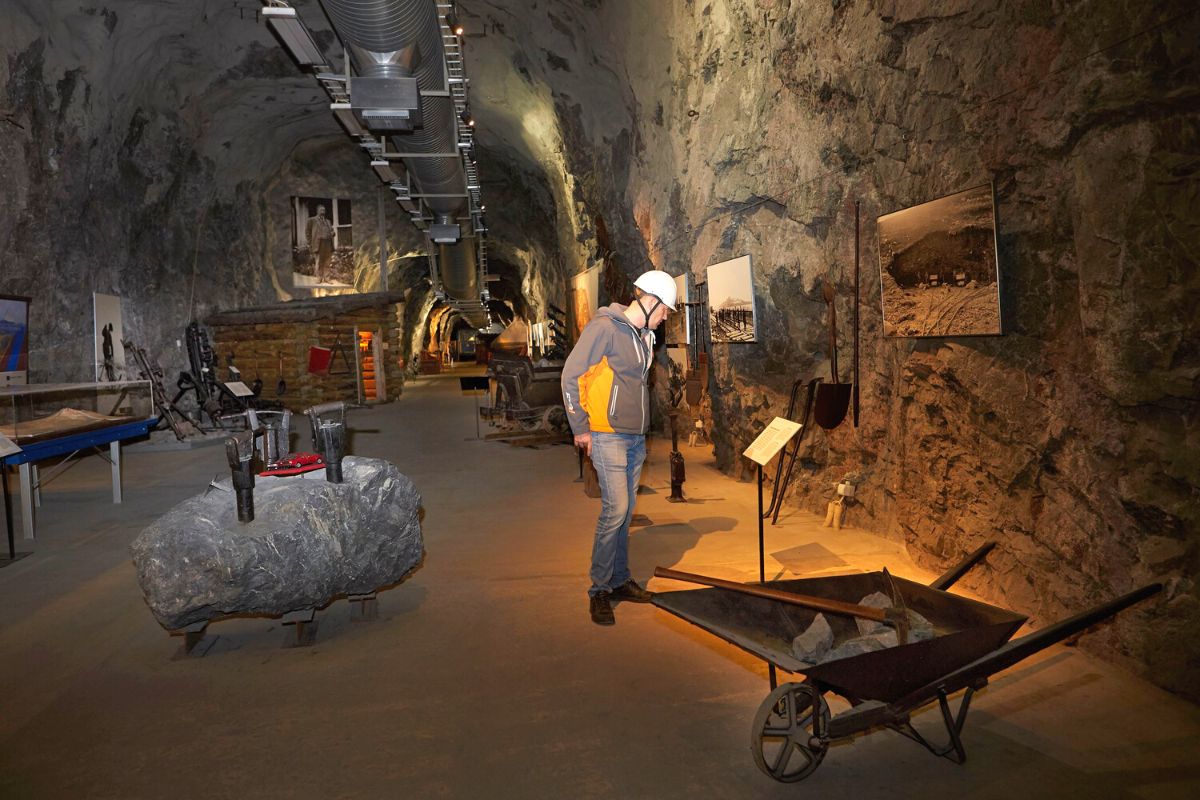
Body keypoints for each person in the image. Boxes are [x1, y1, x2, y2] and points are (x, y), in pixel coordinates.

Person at [561, 269, 677, 625]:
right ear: (650, 300)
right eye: (664, 311)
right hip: (607, 432)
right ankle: (599, 590)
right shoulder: (605, 328)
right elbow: (571, 375)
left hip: (634, 437)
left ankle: (620, 579)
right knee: (616, 509)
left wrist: (648, 338)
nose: (665, 318)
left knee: (625, 513)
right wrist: (581, 428)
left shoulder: (643, 336)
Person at [305, 204, 335, 283]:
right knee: (319, 261)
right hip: (319, 243)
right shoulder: (311, 220)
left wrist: (332, 232)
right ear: (317, 211)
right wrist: (309, 243)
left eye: (324, 210)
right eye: (321, 210)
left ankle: (327, 278)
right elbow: (307, 232)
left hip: (328, 243)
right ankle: (319, 278)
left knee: (327, 261)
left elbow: (331, 230)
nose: (323, 211)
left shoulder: (328, 221)